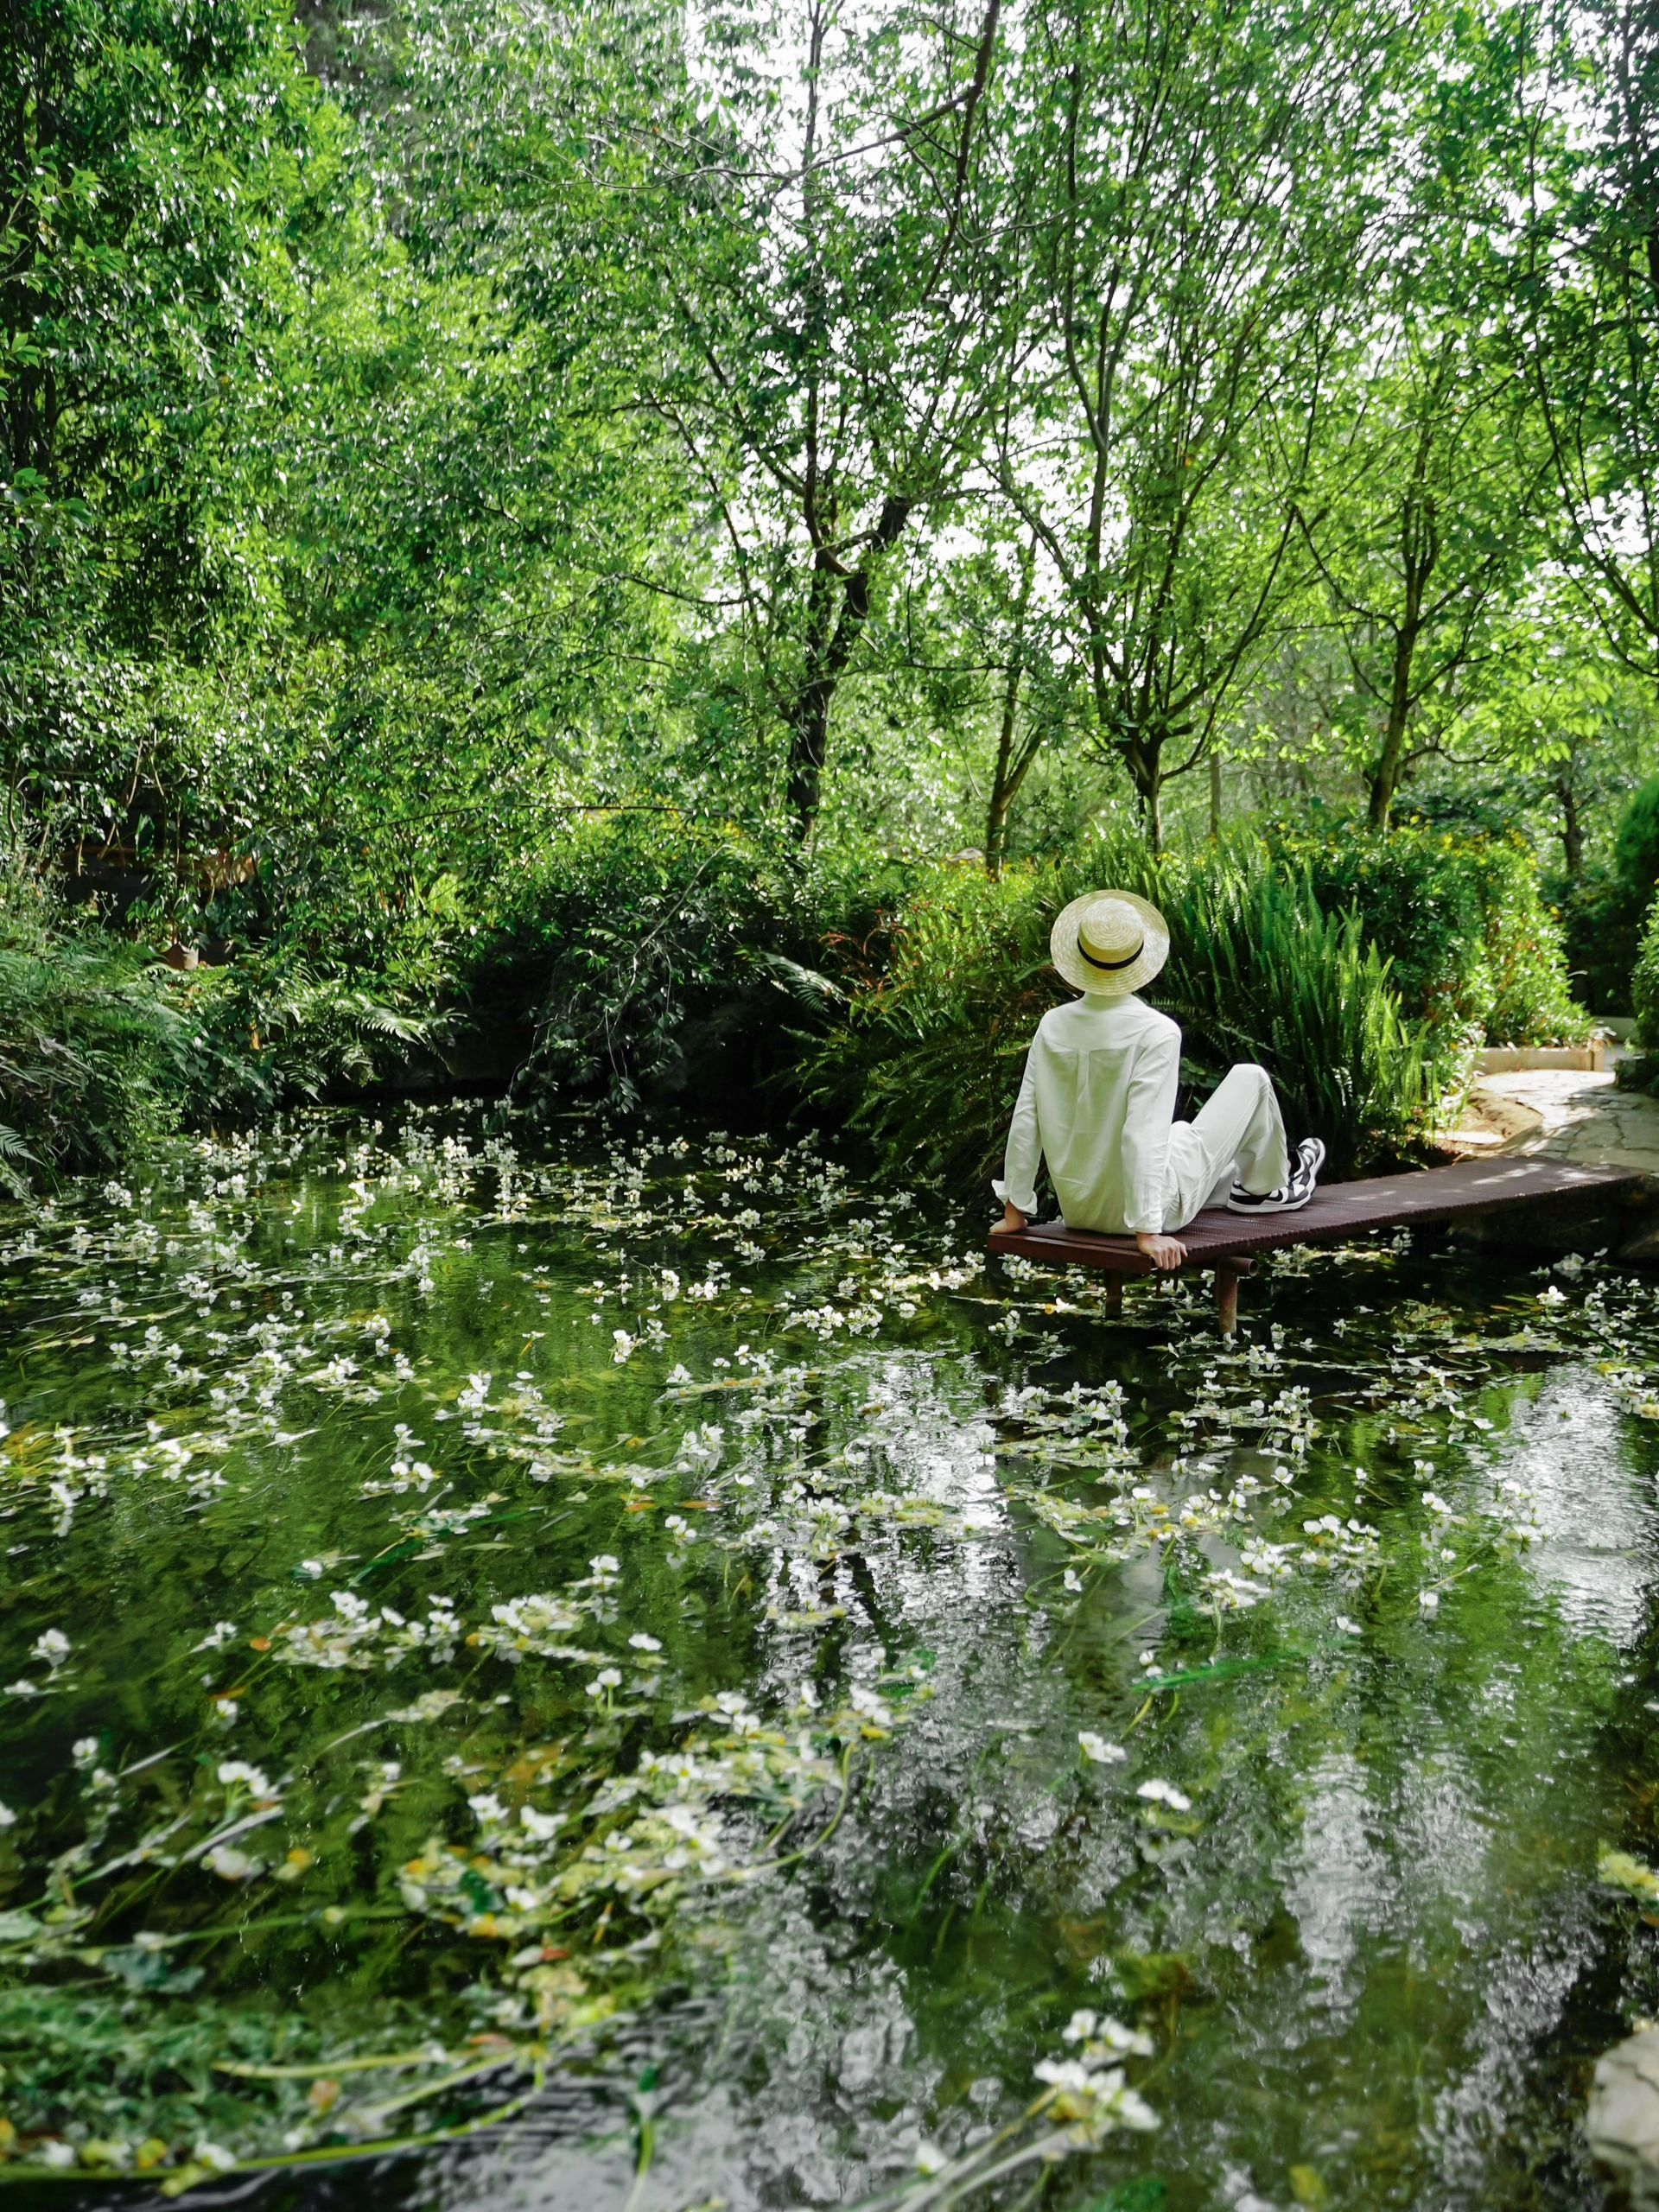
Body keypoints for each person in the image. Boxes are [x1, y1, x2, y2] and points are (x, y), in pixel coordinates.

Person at [995, 889, 1325, 1271]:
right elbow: (1141, 1134)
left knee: (1182, 1134)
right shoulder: (1156, 1031)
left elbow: (1025, 1121)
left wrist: (1015, 1209)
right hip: (1148, 1213)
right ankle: (1267, 1187)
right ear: (1139, 960)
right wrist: (1148, 1232)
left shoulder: (1052, 1025)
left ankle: (1243, 1179)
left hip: (1079, 1212)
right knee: (1249, 1077)